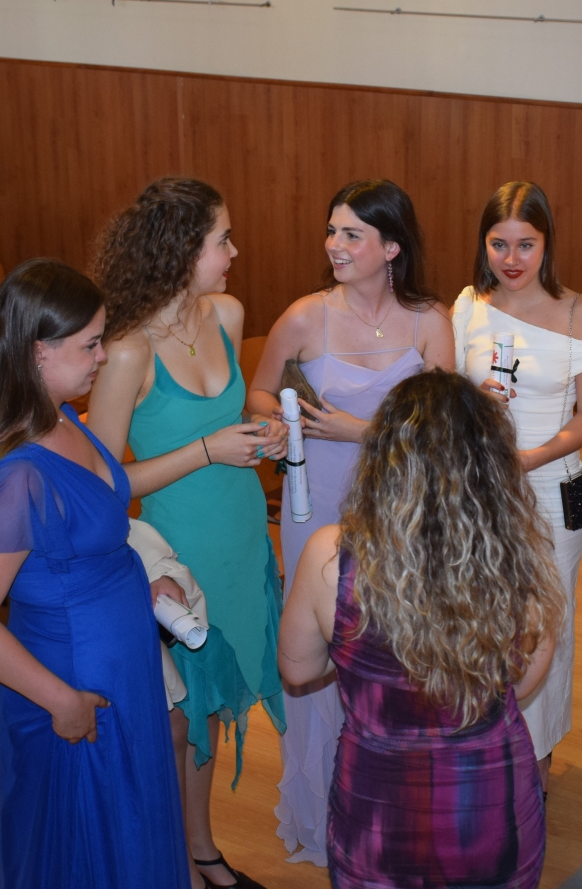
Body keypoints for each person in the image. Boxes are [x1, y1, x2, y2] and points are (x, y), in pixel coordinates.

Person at [0, 259, 190, 888]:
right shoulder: (20, 475)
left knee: (129, 837)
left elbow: (82, 549)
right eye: (89, 345)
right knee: (91, 852)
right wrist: (62, 701)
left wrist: (142, 586)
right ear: (38, 352)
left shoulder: (64, 418)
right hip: (76, 688)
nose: (103, 357)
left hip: (119, 669)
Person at [278, 370, 565, 889]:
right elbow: (521, 685)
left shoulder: (331, 557)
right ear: (489, 465)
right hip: (489, 807)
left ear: (382, 459)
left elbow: (298, 670)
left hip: (377, 811)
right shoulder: (519, 561)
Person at [245, 178, 454, 866]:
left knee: (397, 649)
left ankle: (394, 803)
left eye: (352, 234)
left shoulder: (430, 320)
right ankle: (325, 810)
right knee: (321, 645)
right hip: (318, 502)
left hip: (403, 504)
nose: (334, 245)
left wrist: (358, 429)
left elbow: (443, 429)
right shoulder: (305, 316)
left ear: (391, 247)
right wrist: (279, 424)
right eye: (332, 230)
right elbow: (259, 391)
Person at [88, 177, 285, 889]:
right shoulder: (127, 351)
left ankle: (199, 850)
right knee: (184, 721)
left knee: (215, 711)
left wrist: (263, 433)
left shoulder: (226, 314)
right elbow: (102, 482)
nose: (234, 252)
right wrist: (207, 450)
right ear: (179, 249)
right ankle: (182, 858)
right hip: (178, 556)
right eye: (221, 240)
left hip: (241, 538)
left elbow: (228, 423)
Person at [452, 181, 582, 788]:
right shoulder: (468, 305)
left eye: (526, 244)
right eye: (499, 244)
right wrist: (471, 400)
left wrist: (531, 458)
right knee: (483, 617)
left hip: (552, 486)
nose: (511, 259)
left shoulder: (579, 311)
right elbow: (443, 395)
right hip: (480, 488)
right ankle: (485, 745)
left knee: (546, 625)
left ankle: (536, 758)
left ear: (547, 244)